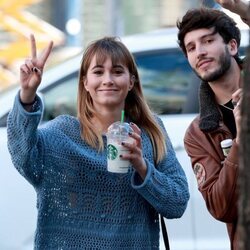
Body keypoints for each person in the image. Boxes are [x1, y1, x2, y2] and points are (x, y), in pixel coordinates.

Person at [7, 35, 189, 249]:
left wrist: (142, 166)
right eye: (98, 71)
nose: (108, 79)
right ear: (85, 82)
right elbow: (22, 155)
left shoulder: (150, 133)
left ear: (131, 81)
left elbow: (177, 203)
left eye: (118, 71)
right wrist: (27, 95)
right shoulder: (63, 133)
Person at [176, 1, 249, 249]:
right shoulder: (198, 134)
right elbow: (221, 207)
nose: (200, 52)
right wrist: (240, 142)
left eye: (208, 41)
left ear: (232, 45)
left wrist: (246, 12)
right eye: (191, 47)